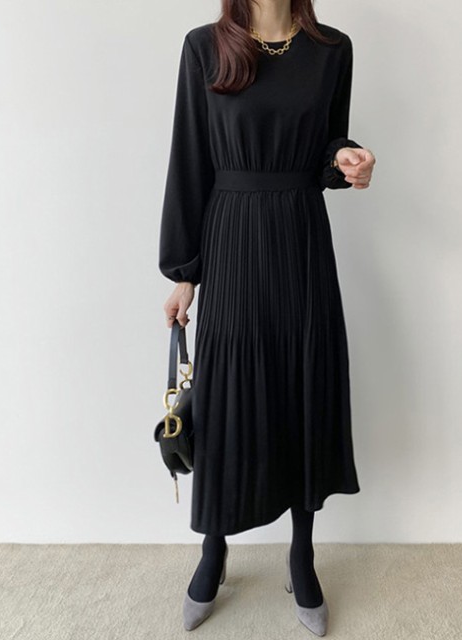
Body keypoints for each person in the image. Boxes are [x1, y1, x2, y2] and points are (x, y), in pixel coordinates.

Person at [158, 0, 376, 634]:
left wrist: (348, 159)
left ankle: (301, 554)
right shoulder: (205, 46)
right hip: (230, 236)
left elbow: (328, 147)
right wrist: (184, 272)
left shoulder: (332, 49)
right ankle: (213, 547)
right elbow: (190, 157)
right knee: (227, 395)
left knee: (303, 385)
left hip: (301, 238)